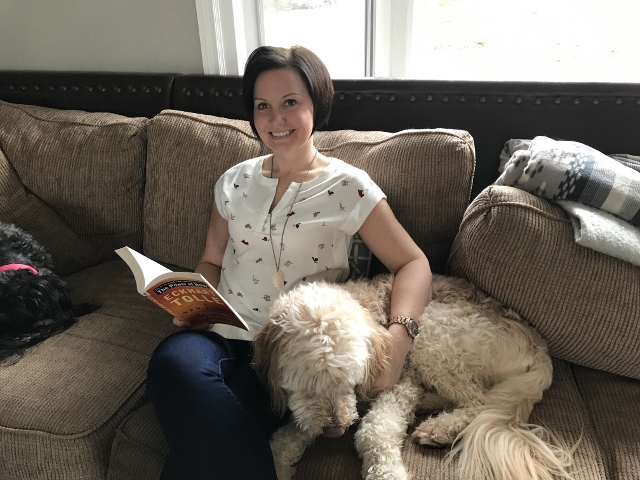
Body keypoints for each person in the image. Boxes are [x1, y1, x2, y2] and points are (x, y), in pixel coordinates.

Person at [146, 45, 432, 479]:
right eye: (263, 106)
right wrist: (191, 298)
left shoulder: (348, 187)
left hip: (295, 356)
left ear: (316, 105)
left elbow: (413, 263)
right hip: (223, 330)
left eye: (290, 103)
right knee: (171, 364)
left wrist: (397, 343)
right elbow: (211, 260)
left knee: (206, 440)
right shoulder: (233, 182)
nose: (275, 119)